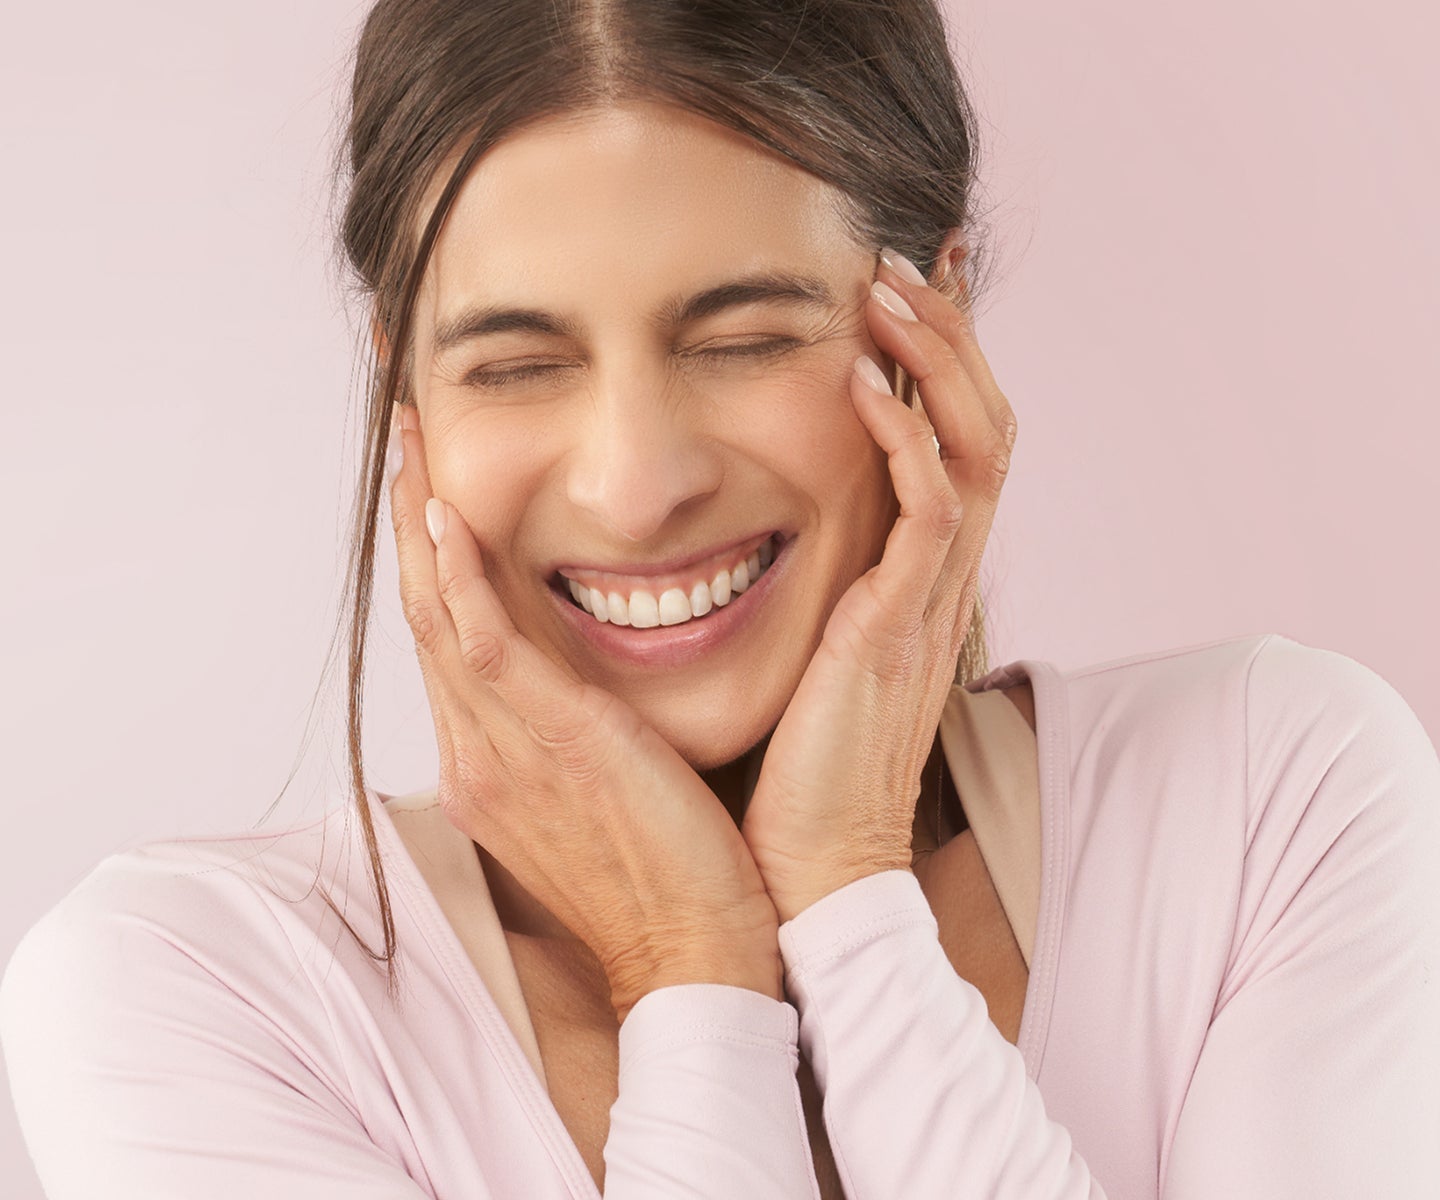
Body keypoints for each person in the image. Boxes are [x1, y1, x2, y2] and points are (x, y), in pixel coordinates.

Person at [3, 0, 1437, 1196]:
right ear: (404, 394)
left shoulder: (1273, 801)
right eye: (513, 363)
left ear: (932, 328)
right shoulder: (194, 999)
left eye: (744, 338)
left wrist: (852, 904)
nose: (635, 488)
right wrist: (691, 967)